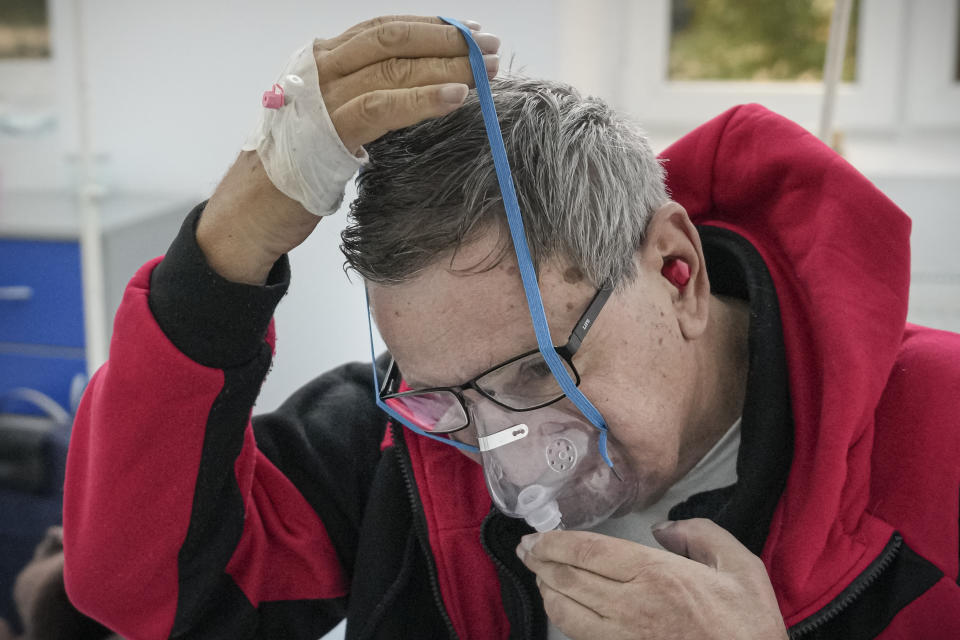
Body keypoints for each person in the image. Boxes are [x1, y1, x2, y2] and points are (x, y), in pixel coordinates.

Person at [61, 15, 960, 640]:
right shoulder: (405, 446)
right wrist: (235, 235)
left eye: (536, 375)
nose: (507, 460)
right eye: (446, 398)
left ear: (675, 272)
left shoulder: (936, 438)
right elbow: (146, 593)